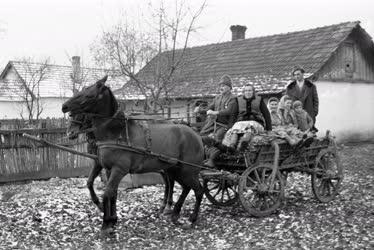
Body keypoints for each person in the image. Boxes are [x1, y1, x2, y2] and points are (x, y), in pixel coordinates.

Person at [195, 75, 238, 167]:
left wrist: (215, 112)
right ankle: (203, 156)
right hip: (214, 124)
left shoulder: (233, 98)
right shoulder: (217, 98)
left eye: (224, 86)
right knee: (202, 135)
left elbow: (228, 111)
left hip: (226, 125)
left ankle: (212, 160)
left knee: (217, 139)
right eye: (220, 86)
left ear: (229, 87)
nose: (221, 88)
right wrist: (200, 110)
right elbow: (209, 108)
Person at [286, 66, 319, 131]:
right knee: (298, 134)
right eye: (295, 75)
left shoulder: (311, 86)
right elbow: (287, 101)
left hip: (309, 113)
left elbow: (315, 100)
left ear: (302, 74)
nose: (296, 76)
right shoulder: (290, 87)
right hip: (296, 115)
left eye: (298, 74)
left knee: (310, 133)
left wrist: (315, 112)